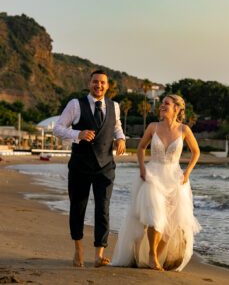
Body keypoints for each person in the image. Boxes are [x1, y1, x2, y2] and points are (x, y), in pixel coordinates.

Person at [111, 94, 201, 271]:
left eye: (166, 104)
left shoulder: (184, 130)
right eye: (161, 104)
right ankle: (151, 255)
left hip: (175, 178)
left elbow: (196, 152)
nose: (161, 106)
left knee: (172, 222)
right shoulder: (153, 127)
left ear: (177, 108)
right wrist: (142, 168)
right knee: (154, 217)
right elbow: (141, 147)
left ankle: (157, 256)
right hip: (152, 175)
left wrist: (187, 173)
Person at [53, 69, 126, 268]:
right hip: (80, 166)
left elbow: (117, 125)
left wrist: (121, 138)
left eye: (102, 82)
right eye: (95, 82)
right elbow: (57, 128)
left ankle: (99, 254)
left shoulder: (115, 106)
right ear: (89, 83)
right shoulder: (75, 104)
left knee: (103, 209)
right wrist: (78, 133)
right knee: (78, 208)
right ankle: (78, 249)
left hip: (105, 166)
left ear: (108, 85)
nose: (98, 85)